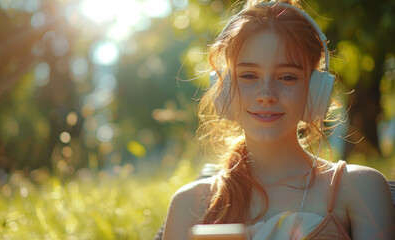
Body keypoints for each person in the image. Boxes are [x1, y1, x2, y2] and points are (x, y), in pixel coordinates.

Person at [161, 0, 395, 239]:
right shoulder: (188, 204)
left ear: (315, 90)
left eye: (287, 77)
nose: (266, 95)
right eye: (249, 75)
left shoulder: (359, 189)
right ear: (224, 88)